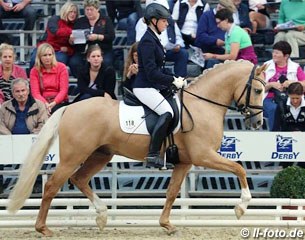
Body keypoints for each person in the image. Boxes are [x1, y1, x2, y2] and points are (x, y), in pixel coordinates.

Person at [133, 3, 187, 169]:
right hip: (144, 86)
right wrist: (171, 80)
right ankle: (153, 155)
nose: (167, 24)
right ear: (154, 21)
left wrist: (172, 80)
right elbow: (151, 73)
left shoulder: (155, 39)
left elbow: (159, 69)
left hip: (153, 85)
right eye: (164, 21)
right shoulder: (147, 42)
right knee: (167, 112)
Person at [136, 0, 188, 77]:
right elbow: (139, 42)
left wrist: (178, 45)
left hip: (169, 51)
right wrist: (157, 47)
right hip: (153, 52)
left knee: (182, 53)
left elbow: (178, 37)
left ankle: (180, 80)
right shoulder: (143, 22)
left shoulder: (170, 21)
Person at [263, 41, 305, 131]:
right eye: (273, 52)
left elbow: (304, 83)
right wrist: (270, 84)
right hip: (269, 98)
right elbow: (258, 87)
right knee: (274, 109)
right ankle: (274, 134)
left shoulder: (295, 67)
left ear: (286, 56)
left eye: (277, 53)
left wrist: (292, 83)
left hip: (290, 97)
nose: (274, 54)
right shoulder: (265, 66)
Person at [69, 0, 115, 77]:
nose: (89, 12)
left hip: (103, 50)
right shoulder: (80, 21)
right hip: (84, 51)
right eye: (87, 10)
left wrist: (97, 37)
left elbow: (111, 37)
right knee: (74, 62)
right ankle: (82, 80)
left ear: (97, 9)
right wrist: (71, 40)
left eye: (91, 9)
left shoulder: (106, 20)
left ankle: (101, 81)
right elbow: (73, 41)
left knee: (107, 62)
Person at [29, 1, 79, 70]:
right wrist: (72, 32)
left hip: (60, 50)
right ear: (65, 11)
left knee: (59, 61)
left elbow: (75, 45)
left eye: (74, 12)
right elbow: (56, 32)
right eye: (70, 12)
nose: (72, 14)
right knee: (34, 60)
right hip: (46, 46)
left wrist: (68, 49)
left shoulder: (76, 24)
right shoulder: (54, 19)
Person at [195, 0, 236, 68]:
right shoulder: (206, 16)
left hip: (224, 48)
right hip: (209, 47)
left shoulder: (228, 19)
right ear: (219, 7)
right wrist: (215, 41)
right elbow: (200, 35)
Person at [30, 43, 69, 115]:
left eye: (50, 55)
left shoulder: (62, 67)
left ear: (53, 55)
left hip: (59, 102)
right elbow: (36, 93)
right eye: (45, 55)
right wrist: (45, 104)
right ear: (39, 57)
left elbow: (64, 90)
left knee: (54, 111)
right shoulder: (34, 71)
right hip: (42, 102)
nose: (48, 57)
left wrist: (54, 102)